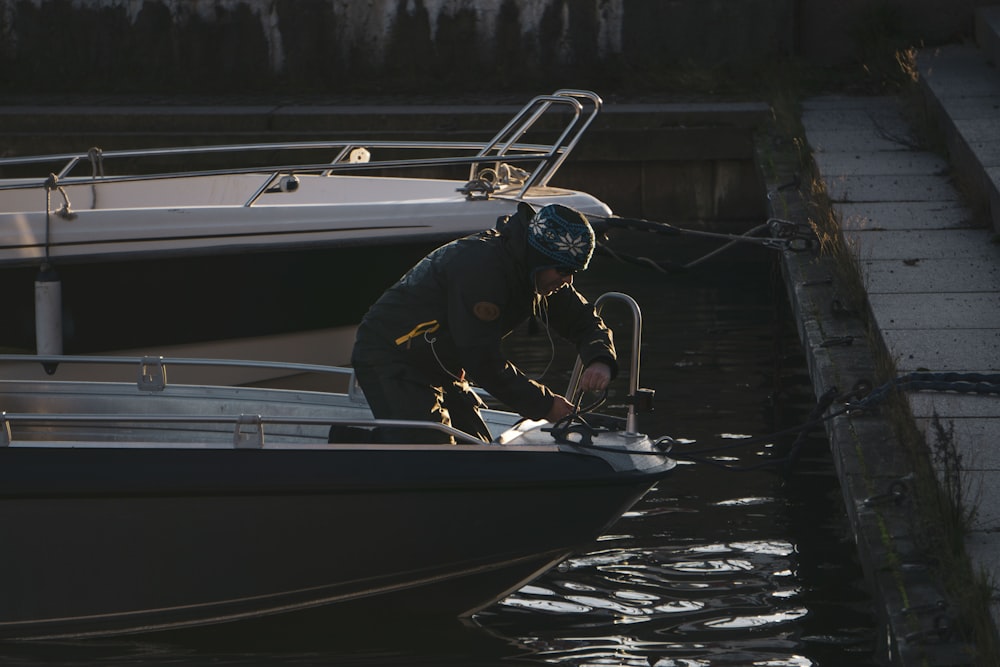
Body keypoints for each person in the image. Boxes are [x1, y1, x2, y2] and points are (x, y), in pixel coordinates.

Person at [350, 202, 617, 444]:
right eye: (565, 271)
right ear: (541, 259)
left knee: (476, 446)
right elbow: (482, 360)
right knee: (431, 452)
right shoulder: (483, 272)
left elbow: (583, 318)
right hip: (391, 355)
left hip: (441, 364)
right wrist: (546, 405)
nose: (568, 280)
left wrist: (600, 359)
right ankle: (354, 445)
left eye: (574, 272)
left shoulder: (537, 274)